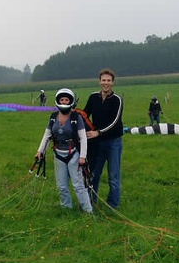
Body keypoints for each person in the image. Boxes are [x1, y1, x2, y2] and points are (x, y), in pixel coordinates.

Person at [35, 88, 92, 213]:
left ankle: (88, 210)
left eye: (66, 99)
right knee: (61, 186)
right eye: (62, 99)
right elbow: (47, 136)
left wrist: (83, 156)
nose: (64, 102)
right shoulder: (53, 117)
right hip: (58, 155)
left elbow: (83, 138)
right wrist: (40, 151)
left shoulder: (76, 117)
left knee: (78, 186)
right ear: (58, 101)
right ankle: (66, 209)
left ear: (70, 101)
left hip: (74, 155)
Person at [84, 68, 124, 209]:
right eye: (103, 80)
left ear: (113, 83)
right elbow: (84, 115)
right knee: (93, 174)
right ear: (99, 81)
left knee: (113, 177)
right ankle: (90, 202)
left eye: (108, 80)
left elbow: (115, 122)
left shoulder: (117, 100)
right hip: (97, 144)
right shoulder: (93, 97)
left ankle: (113, 206)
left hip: (113, 142)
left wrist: (98, 132)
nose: (105, 83)